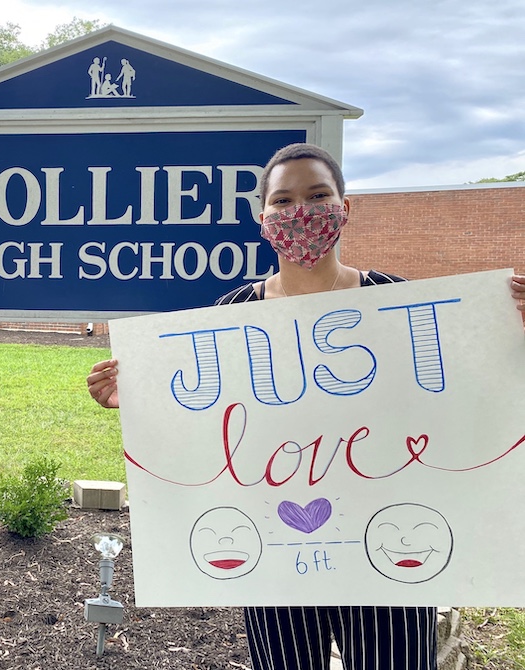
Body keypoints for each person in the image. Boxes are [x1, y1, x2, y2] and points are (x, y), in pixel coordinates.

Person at [86, 142, 525, 670]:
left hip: (387, 533)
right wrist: (136, 400)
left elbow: (470, 399)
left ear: (345, 206)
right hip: (277, 542)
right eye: (284, 200)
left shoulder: (397, 302)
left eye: (318, 195)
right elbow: (204, 429)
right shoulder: (231, 314)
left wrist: (511, 336)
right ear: (263, 218)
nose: (301, 212)